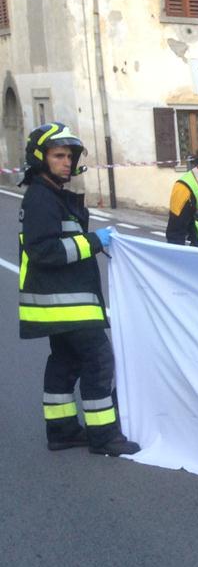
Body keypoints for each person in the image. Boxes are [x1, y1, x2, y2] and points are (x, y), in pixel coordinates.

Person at [16, 123, 140, 456]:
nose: (66, 162)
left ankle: (62, 431)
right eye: (58, 155)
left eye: (69, 156)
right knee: (99, 361)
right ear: (41, 158)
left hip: (56, 301)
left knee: (65, 362)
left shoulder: (50, 194)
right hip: (65, 302)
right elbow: (43, 250)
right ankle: (104, 437)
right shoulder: (42, 198)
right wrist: (93, 242)